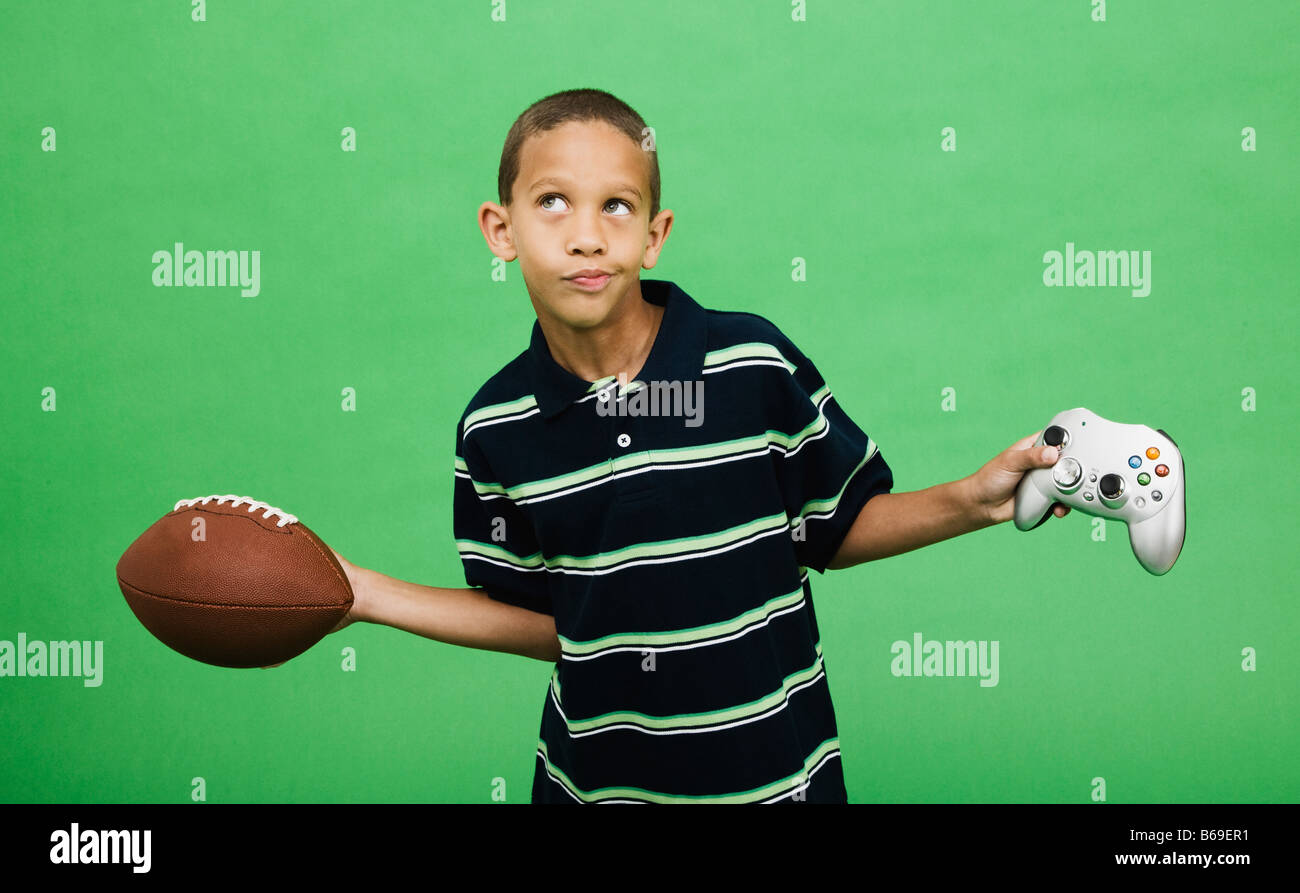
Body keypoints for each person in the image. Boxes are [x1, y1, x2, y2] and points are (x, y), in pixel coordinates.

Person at [275, 88, 1069, 803]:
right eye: (553, 201)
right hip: (595, 789)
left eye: (616, 207)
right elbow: (556, 622)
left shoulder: (751, 365)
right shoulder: (494, 426)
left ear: (655, 236)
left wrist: (974, 499)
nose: (586, 236)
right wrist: (365, 594)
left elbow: (833, 527)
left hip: (776, 785)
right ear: (501, 228)